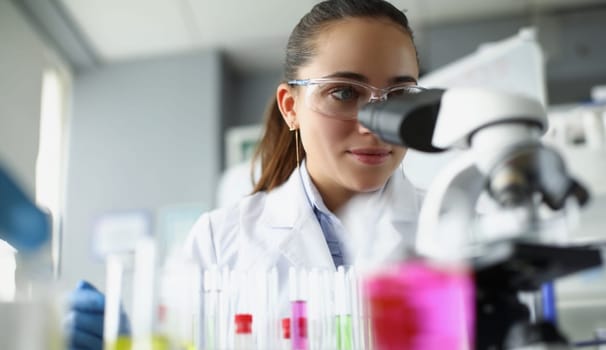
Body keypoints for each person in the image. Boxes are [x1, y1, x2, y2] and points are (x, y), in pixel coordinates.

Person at [64, 0, 425, 348]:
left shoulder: (460, 232)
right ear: (291, 108)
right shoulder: (220, 241)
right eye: (344, 92)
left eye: (400, 94)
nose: (375, 126)